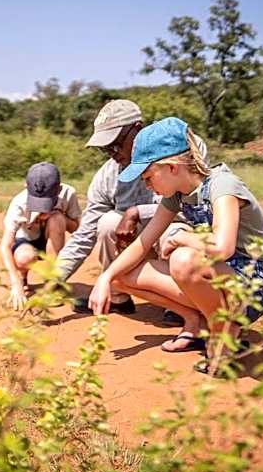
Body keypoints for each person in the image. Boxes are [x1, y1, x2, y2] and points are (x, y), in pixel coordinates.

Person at [88, 117, 263, 372]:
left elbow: (222, 248)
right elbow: (143, 243)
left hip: (249, 288)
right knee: (122, 277)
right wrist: (105, 277)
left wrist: (182, 238)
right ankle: (196, 321)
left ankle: (225, 334)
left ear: (172, 167)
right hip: (216, 282)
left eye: (148, 176)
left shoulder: (223, 185)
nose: (146, 184)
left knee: (183, 259)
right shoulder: (177, 196)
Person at [57, 99, 206, 320]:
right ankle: (118, 297)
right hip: (142, 242)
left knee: (172, 233)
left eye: (116, 143)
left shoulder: (180, 149)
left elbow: (196, 206)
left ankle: (184, 302)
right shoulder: (108, 175)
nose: (112, 153)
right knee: (107, 222)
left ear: (137, 128)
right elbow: (86, 232)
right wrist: (54, 277)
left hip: (183, 235)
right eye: (105, 148)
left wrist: (137, 212)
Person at [0, 162, 82, 310]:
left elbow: (76, 227)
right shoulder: (19, 202)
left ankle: (52, 282)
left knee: (57, 219)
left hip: (52, 240)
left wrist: (58, 215)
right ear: (26, 187)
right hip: (27, 241)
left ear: (59, 188)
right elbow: (5, 245)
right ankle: (22, 277)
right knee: (25, 258)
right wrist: (15, 283)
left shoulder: (68, 193)